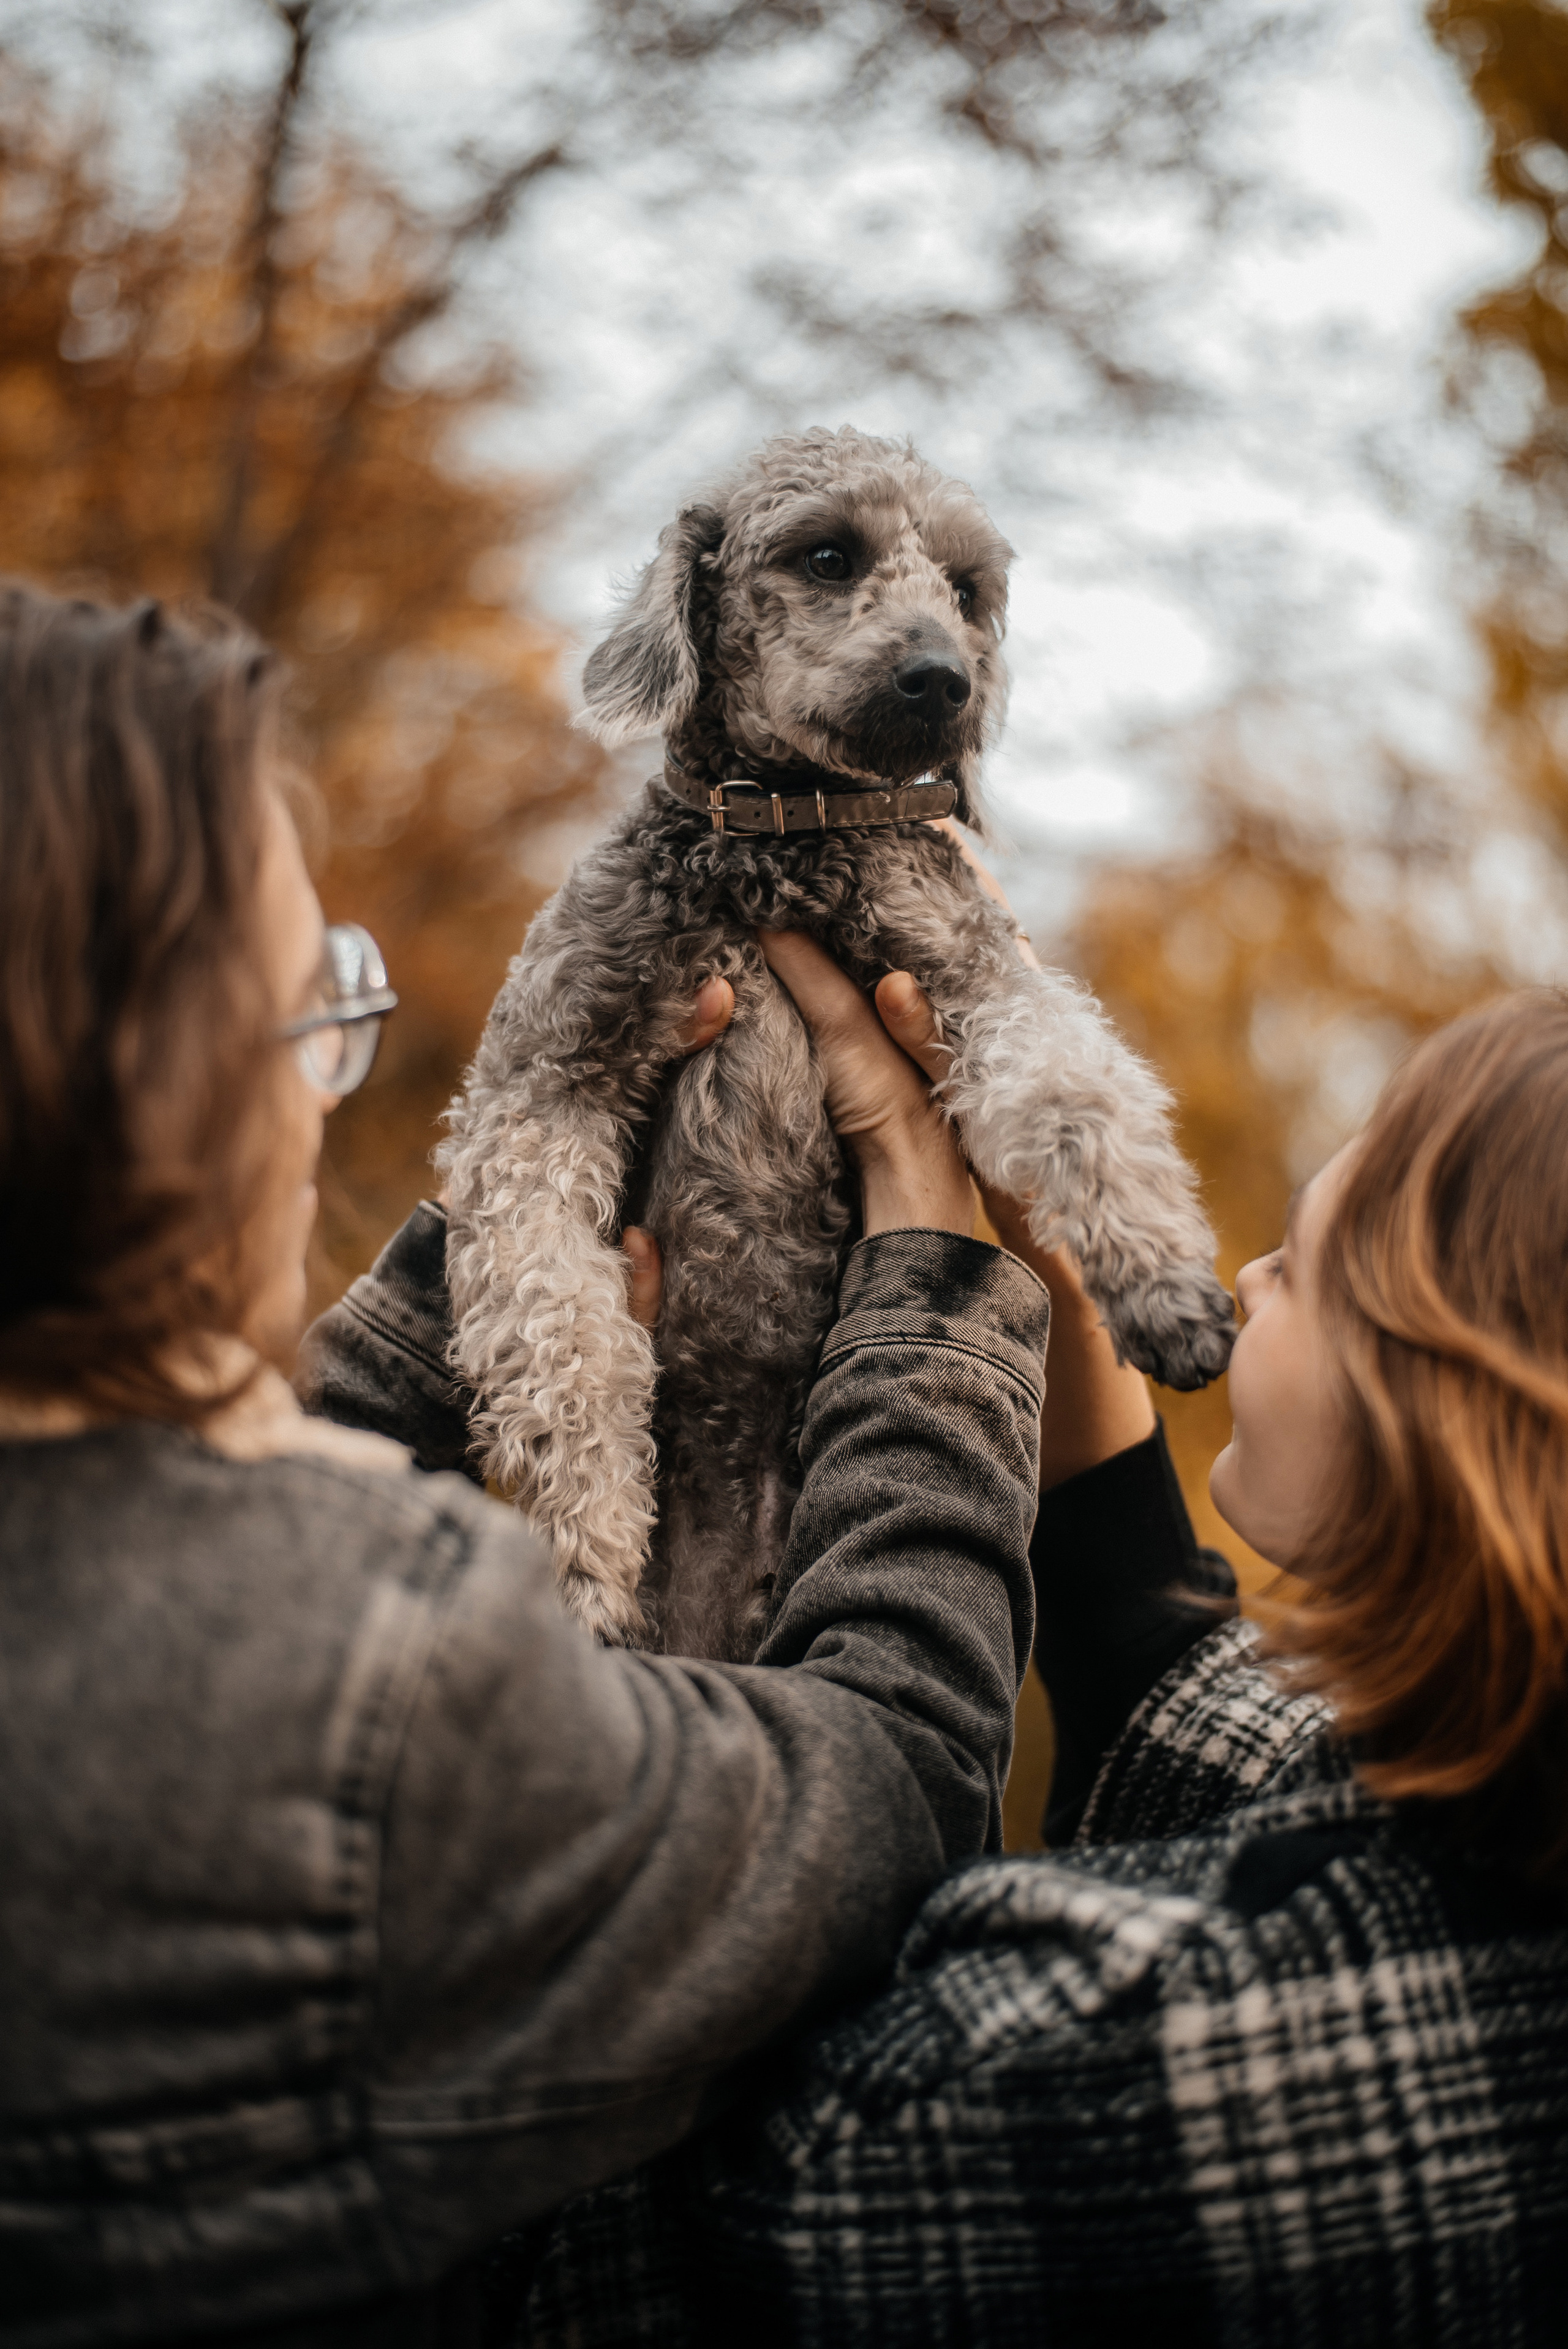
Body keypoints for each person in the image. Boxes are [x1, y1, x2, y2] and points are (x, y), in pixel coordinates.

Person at [0, 581, 1060, 2346]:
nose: (321, 1091)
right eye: (311, 1017)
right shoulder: (390, 1679)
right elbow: (886, 1784)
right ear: (151, 1090)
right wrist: (936, 1288)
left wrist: (483, 1256)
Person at [518, 985, 1568, 2345]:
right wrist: (1039, 1276)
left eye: (1306, 1264)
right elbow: (1184, 1702)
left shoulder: (1162, 2052)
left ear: (1459, 1409)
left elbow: (739, 2167)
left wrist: (930, 1307)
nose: (1251, 1277)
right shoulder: (1504, 1828)